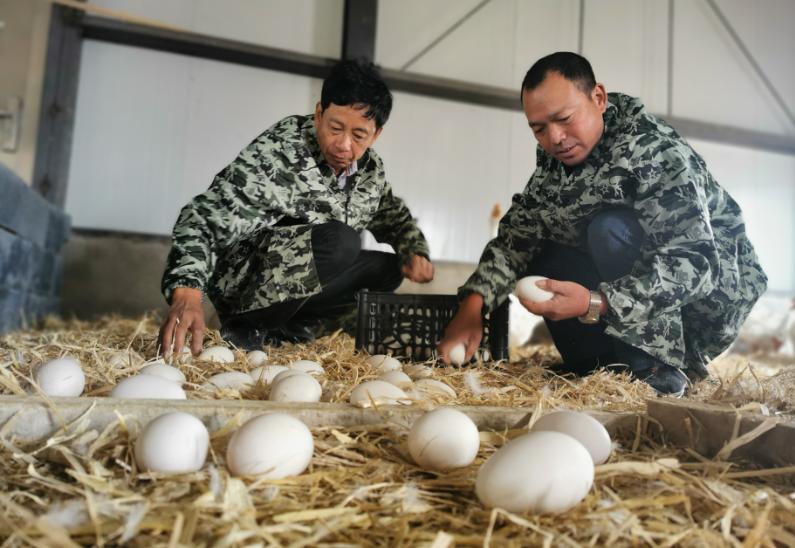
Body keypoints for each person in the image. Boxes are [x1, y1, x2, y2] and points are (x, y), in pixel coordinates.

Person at [437, 52, 767, 396]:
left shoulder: (653, 152)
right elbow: (518, 236)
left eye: (564, 119)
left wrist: (595, 302)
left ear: (598, 98)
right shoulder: (557, 161)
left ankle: (659, 367)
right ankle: (599, 366)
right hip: (631, 292)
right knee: (545, 249)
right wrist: (473, 306)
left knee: (609, 229)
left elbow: (694, 264)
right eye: (539, 128)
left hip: (708, 302)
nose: (555, 137)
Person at [159, 60, 434, 356]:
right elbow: (200, 217)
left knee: (388, 270)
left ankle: (291, 329)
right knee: (341, 241)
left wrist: (414, 250)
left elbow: (392, 215)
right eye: (335, 128)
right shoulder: (281, 152)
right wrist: (187, 293)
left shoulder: (370, 171)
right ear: (319, 114)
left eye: (358, 136)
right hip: (244, 280)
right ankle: (244, 326)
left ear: (376, 134)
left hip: (298, 280)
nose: (343, 144)